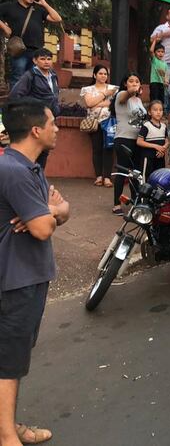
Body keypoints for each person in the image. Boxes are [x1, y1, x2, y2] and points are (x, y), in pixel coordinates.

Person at [0, 100, 70, 446]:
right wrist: (48, 213)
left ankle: (9, 425)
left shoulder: (30, 168)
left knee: (14, 356)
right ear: (36, 130)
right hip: (16, 279)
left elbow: (62, 209)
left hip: (28, 275)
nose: (57, 128)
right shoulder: (14, 170)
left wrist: (49, 210)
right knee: (9, 361)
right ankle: (7, 435)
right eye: (52, 123)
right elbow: (43, 229)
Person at [0, 0, 62, 90]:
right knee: (18, 77)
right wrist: (4, 27)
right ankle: (16, 100)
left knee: (35, 79)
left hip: (37, 51)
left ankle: (30, 100)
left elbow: (57, 18)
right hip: (19, 50)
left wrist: (44, 4)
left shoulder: (38, 10)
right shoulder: (9, 6)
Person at [9, 48, 61, 170]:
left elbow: (54, 95)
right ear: (35, 60)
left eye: (49, 59)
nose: (46, 62)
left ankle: (38, 177)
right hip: (35, 120)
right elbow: (15, 95)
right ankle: (28, 177)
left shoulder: (53, 76)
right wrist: (28, 112)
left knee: (44, 151)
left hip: (49, 119)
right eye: (42, 59)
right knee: (33, 152)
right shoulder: (30, 76)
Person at [111, 72, 147, 214]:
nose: (134, 84)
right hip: (123, 138)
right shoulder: (122, 95)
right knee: (123, 172)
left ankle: (135, 203)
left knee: (136, 173)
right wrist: (132, 90)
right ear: (125, 84)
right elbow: (126, 95)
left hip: (138, 140)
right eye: (131, 81)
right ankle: (116, 204)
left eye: (137, 81)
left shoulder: (138, 100)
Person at [80, 64, 117, 187]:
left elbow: (113, 104)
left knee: (109, 149)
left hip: (109, 123)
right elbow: (89, 103)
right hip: (94, 123)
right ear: (94, 75)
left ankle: (107, 177)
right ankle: (99, 176)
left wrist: (96, 103)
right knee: (97, 149)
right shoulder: (87, 89)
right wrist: (105, 95)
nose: (103, 76)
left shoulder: (114, 88)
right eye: (100, 73)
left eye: (105, 74)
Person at [136, 101, 169, 179]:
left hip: (160, 158)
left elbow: (167, 141)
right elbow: (139, 141)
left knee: (159, 179)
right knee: (147, 179)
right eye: (155, 110)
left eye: (160, 110)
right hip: (148, 158)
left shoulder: (164, 126)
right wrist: (156, 146)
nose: (158, 112)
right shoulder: (146, 125)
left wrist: (163, 148)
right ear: (149, 112)